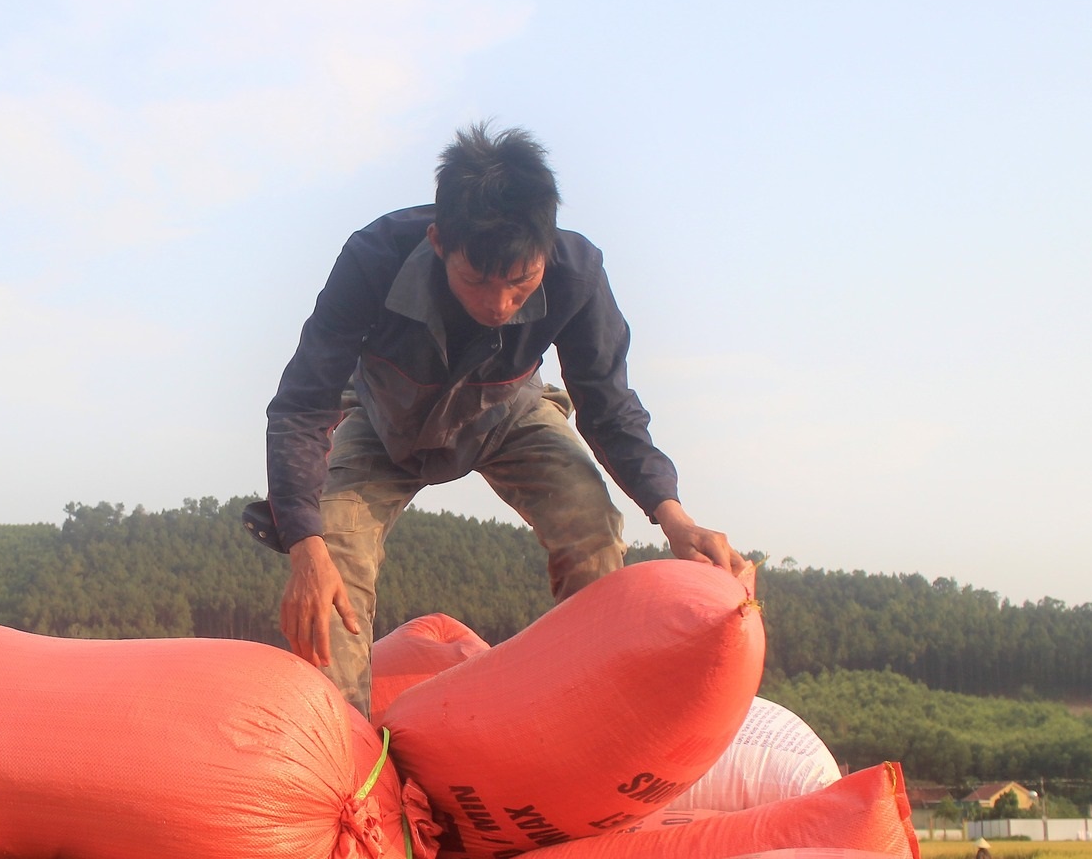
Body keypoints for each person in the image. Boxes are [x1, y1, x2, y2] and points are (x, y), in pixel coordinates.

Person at [253, 123, 746, 713]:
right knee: (332, 550)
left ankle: (580, 707)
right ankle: (345, 749)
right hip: (384, 421)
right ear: (439, 242)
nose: (498, 305)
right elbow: (303, 402)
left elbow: (608, 404)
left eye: (521, 283)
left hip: (510, 412)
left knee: (590, 523)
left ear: (547, 250)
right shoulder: (375, 257)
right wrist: (304, 543)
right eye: (477, 280)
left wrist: (675, 517)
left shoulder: (579, 273)